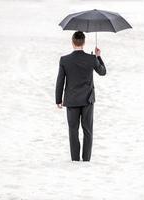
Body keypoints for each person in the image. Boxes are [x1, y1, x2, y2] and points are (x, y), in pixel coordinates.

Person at [55, 31, 106, 162]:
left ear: (72, 42)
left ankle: (75, 159)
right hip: (87, 100)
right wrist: (98, 56)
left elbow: (60, 80)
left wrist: (58, 99)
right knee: (88, 130)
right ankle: (86, 159)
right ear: (83, 43)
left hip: (71, 100)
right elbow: (103, 72)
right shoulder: (91, 58)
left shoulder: (64, 60)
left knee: (73, 130)